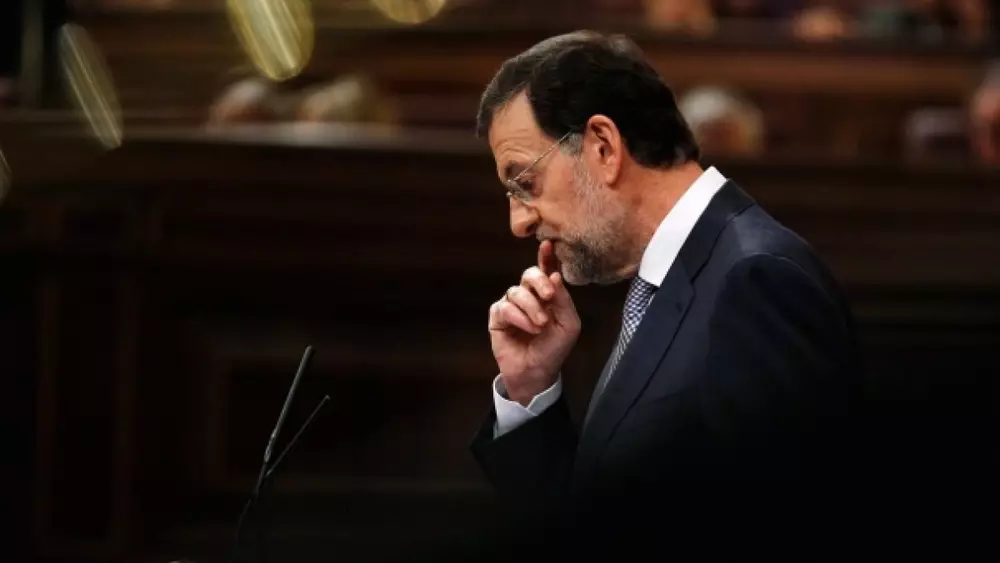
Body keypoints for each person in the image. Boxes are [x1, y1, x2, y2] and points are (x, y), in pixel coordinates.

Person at [468, 31, 866, 561]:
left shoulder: (756, 281)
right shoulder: (673, 277)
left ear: (603, 147)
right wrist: (530, 390)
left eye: (525, 182)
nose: (518, 222)